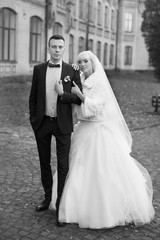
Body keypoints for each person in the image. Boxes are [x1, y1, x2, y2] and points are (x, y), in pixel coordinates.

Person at [50, 51, 155, 229]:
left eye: (85, 61)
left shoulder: (99, 81)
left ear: (92, 62)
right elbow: (74, 99)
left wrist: (80, 94)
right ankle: (75, 204)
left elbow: (98, 106)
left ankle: (104, 210)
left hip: (99, 129)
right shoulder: (80, 78)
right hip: (83, 128)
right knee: (77, 167)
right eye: (79, 61)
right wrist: (66, 90)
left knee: (102, 170)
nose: (82, 64)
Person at [29, 35, 82, 227]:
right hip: (42, 123)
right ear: (48, 47)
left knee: (63, 165)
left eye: (60, 47)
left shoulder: (71, 70)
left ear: (64, 48)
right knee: (44, 163)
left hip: (63, 125)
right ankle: (47, 197)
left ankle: (61, 205)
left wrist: (63, 94)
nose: (57, 50)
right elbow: (33, 97)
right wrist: (34, 120)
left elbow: (78, 98)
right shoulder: (38, 69)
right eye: (54, 46)